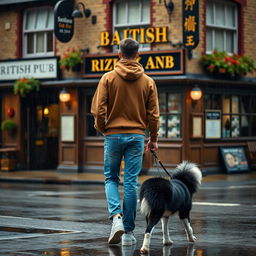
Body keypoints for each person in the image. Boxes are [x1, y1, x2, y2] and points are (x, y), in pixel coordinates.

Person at [91, 38, 159, 246]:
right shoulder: (148, 81)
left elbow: (98, 110)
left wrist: (104, 129)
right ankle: (128, 233)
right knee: (130, 182)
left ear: (119, 54)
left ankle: (116, 219)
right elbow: (154, 116)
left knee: (111, 178)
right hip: (137, 137)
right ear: (138, 55)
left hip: (112, 135)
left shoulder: (107, 78)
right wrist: (153, 140)